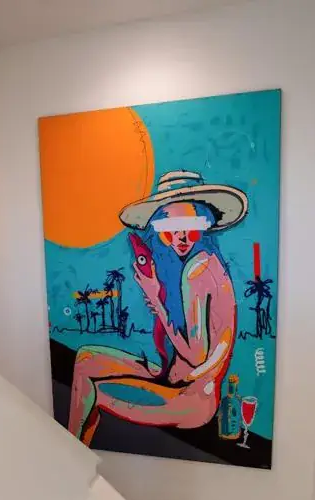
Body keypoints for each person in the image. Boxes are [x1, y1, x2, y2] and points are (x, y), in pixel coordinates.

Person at [67, 170, 248, 445]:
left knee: (92, 392)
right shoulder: (200, 263)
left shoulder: (197, 271)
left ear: (203, 225)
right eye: (170, 229)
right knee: (85, 358)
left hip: (192, 399)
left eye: (190, 226)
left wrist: (155, 300)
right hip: (173, 379)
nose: (181, 238)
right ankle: (73, 454)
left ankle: (72, 455)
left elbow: (196, 356)